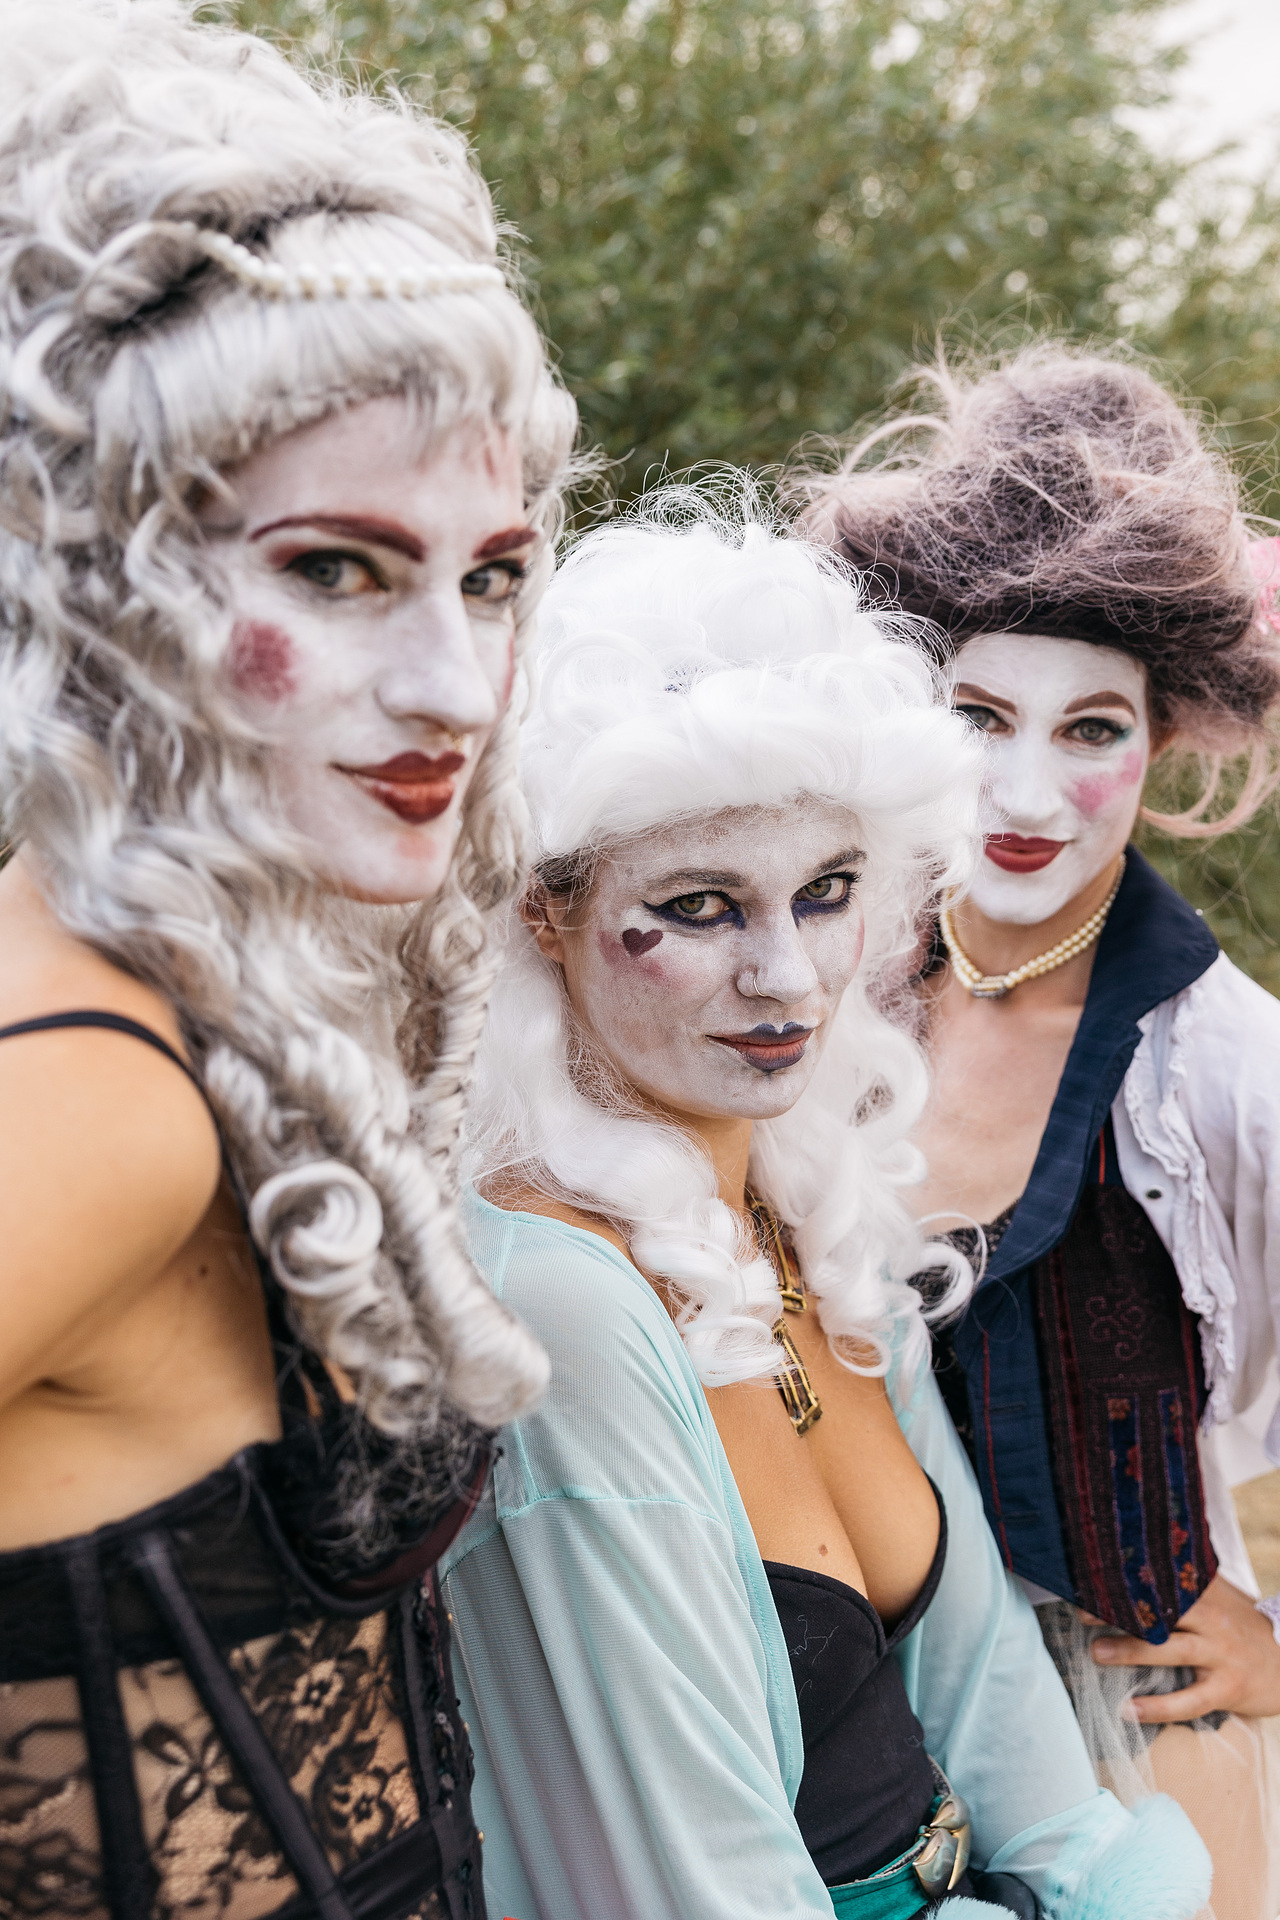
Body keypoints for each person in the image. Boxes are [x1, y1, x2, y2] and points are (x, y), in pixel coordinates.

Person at [440, 489, 1213, 1920]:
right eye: (700, 906)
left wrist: (1100, 1885)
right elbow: (698, 1890)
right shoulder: (557, 1297)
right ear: (545, 910)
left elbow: (998, 1711)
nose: (789, 979)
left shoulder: (807, 1203)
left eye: (828, 890)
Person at [0, 4, 576, 1916]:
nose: (453, 689)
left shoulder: (195, 1008)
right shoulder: (96, 1089)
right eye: (335, 570)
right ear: (104, 584)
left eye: (490, 577)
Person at [808, 345, 1280, 1920]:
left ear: (1163, 739)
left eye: (1091, 730)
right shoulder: (815, 996)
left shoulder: (1225, 1071)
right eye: (979, 715)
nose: (1024, 790)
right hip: (852, 1762)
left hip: (1141, 1773)